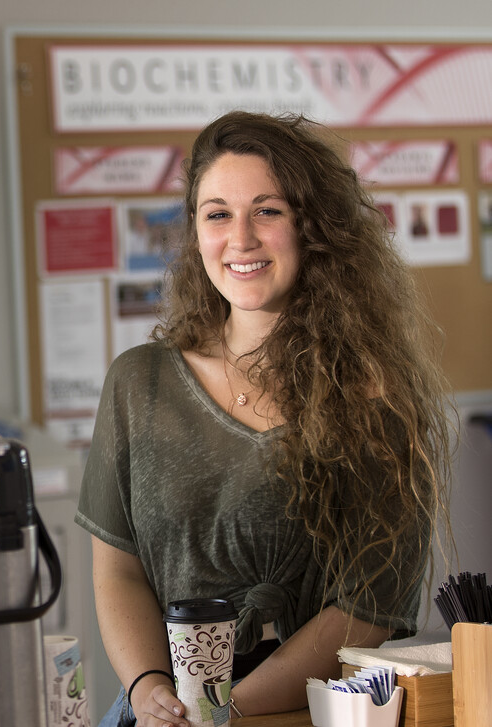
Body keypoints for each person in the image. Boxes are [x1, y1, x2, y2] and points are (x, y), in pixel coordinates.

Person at [75, 111, 452, 727]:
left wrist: (225, 712)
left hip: (289, 711)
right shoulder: (138, 381)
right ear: (195, 233)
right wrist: (148, 692)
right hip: (158, 714)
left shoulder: (378, 399)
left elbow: (367, 607)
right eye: (217, 213)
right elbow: (118, 568)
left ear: (313, 228)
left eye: (268, 211)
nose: (241, 238)